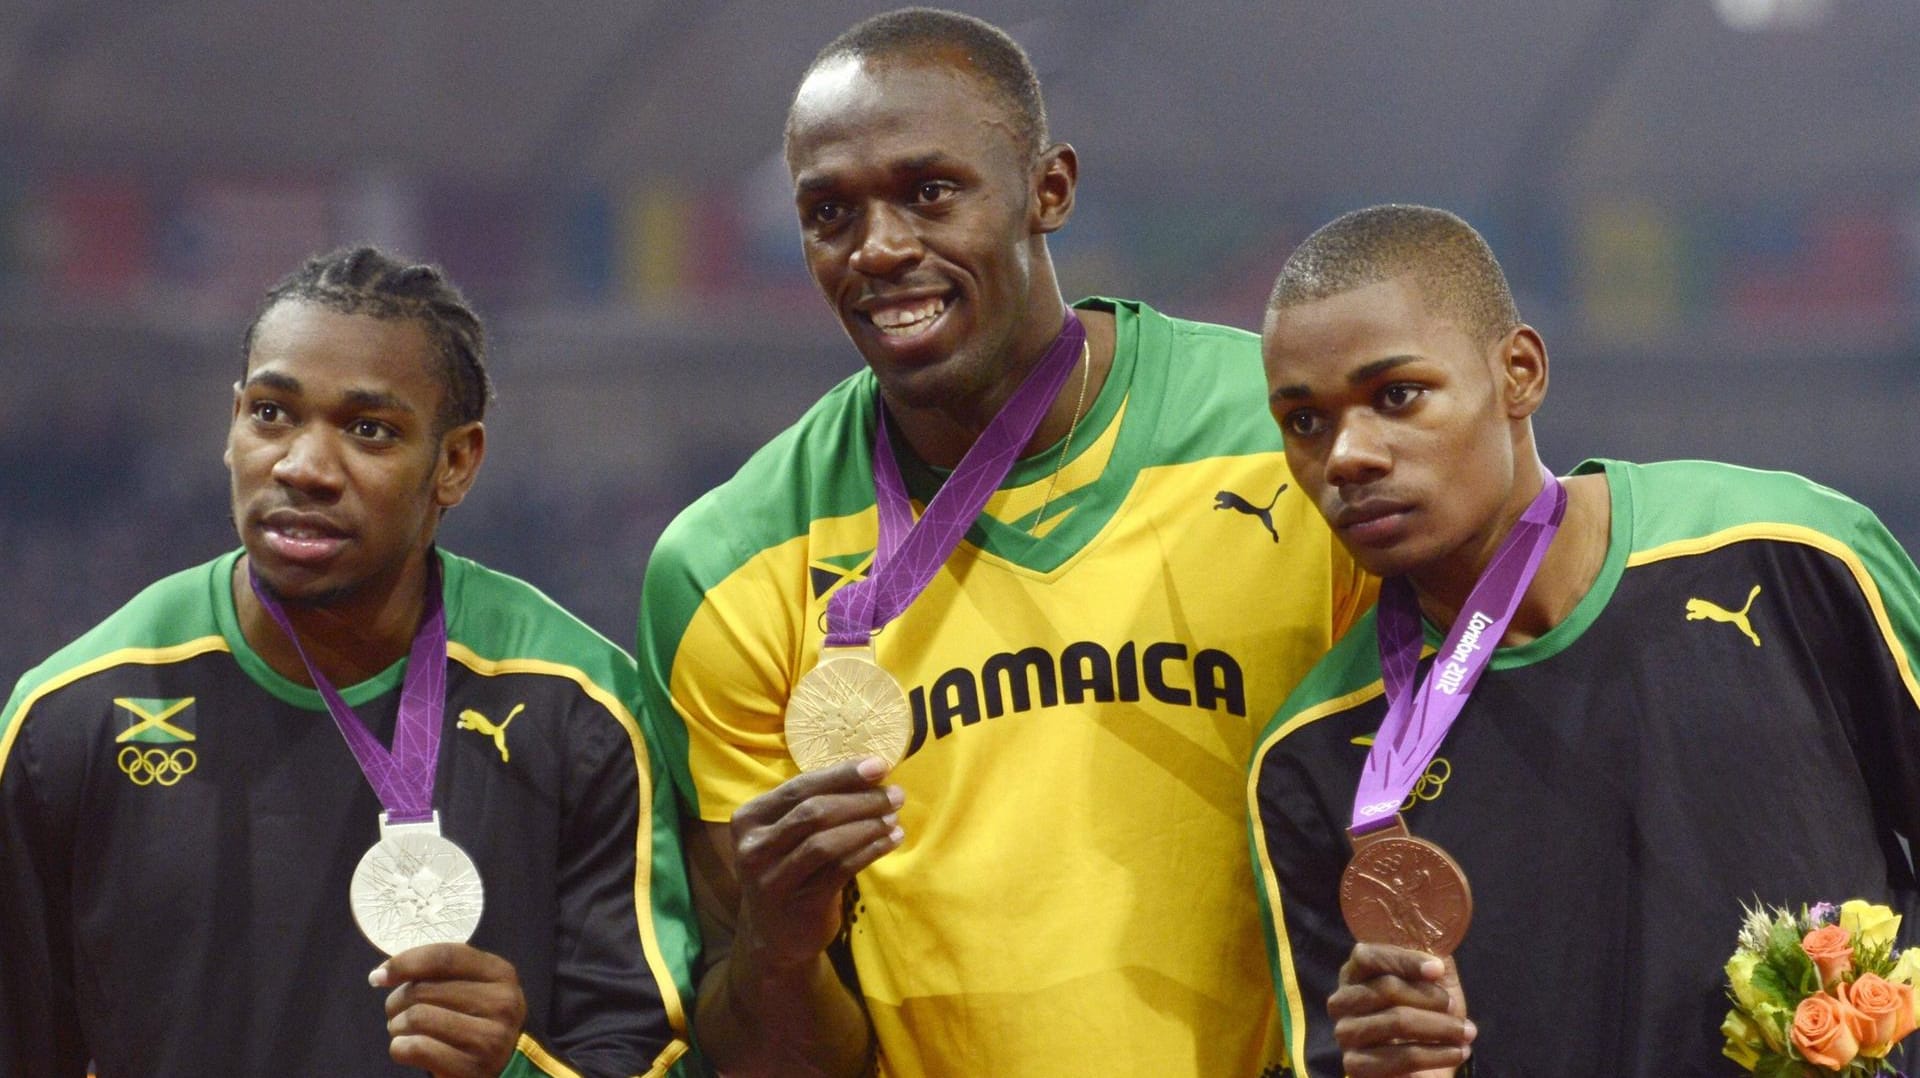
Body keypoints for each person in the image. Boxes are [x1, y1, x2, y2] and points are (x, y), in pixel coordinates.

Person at [637, 8, 1373, 1076]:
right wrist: (782, 949)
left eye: (931, 191)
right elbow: (769, 1057)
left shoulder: (1291, 436)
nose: (880, 248)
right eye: (830, 211)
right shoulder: (725, 568)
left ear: (1049, 189)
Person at [1249, 203, 1920, 1075]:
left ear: (1519, 373)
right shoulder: (1315, 757)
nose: (1346, 456)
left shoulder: (1788, 551)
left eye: (1396, 396)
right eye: (1305, 422)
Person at [0, 247, 698, 1077]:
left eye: (370, 430)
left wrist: (512, 1070)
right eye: (271, 414)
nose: (303, 466)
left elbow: (655, 1056)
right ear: (232, 426)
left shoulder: (580, 709)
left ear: (457, 462)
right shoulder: (69, 716)